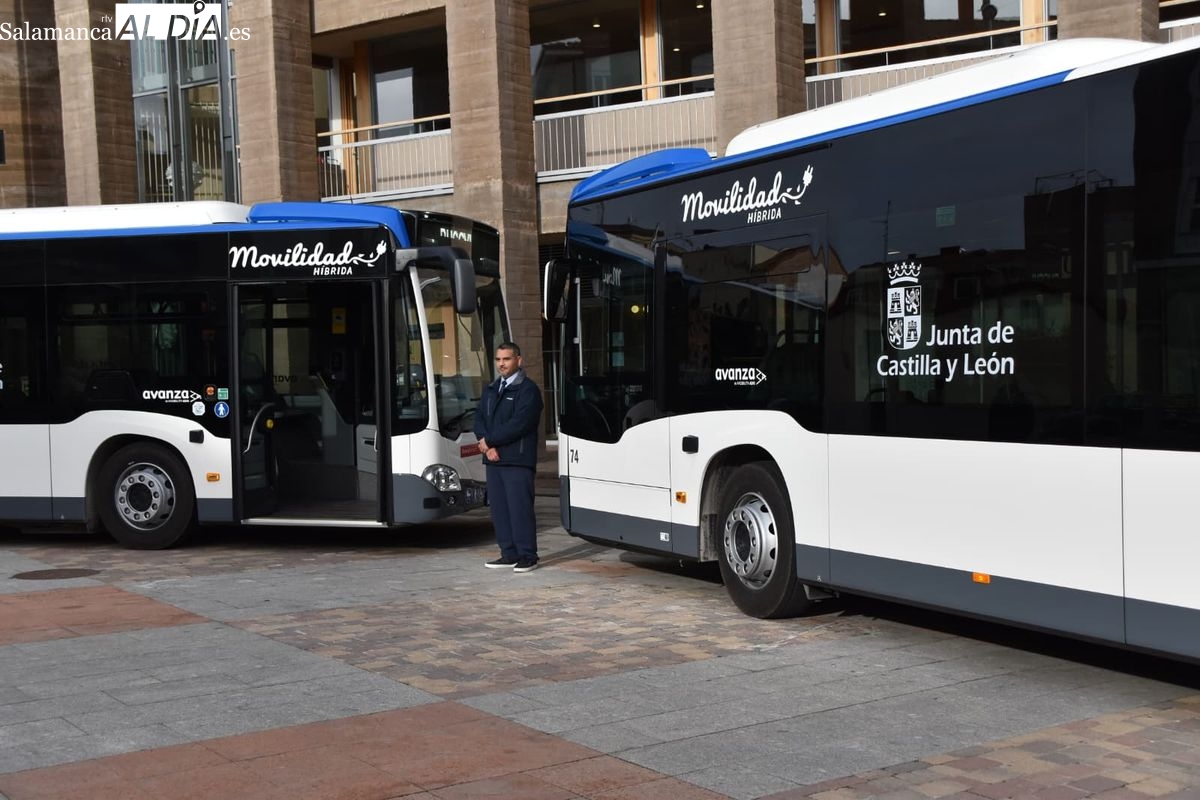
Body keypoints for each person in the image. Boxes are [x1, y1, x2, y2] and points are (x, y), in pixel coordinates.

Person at [475, 342, 544, 572]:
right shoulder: (491, 389)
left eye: (506, 359)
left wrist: (490, 441)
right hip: (493, 459)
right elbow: (479, 419)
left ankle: (528, 556)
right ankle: (509, 553)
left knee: (519, 510)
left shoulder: (528, 390)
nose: (501, 364)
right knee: (500, 511)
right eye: (498, 359)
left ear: (518, 360)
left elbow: (519, 424)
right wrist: (487, 445)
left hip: (517, 461)